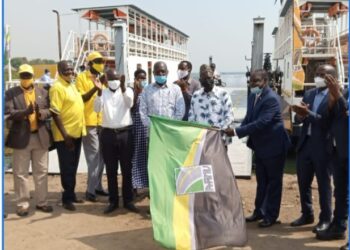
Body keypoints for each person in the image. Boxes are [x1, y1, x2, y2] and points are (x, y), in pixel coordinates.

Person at [226, 69, 291, 228]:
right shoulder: (253, 96)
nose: (253, 84)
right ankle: (259, 211)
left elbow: (261, 123)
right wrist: (236, 128)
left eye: (257, 81)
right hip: (261, 147)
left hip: (274, 147)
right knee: (262, 181)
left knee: (273, 183)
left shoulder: (271, 99)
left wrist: (235, 132)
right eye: (251, 81)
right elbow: (249, 118)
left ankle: (271, 215)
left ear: (265, 81)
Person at [5, 64, 53, 216]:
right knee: (20, 173)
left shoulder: (43, 92)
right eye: (23, 76)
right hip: (20, 138)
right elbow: (8, 113)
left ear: (33, 76)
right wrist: (25, 113)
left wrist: (41, 114)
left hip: (40, 137)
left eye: (28, 75)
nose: (25, 78)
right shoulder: (11, 93)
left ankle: (42, 202)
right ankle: (23, 204)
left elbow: (49, 110)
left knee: (42, 171)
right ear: (20, 77)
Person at [290, 64, 333, 233]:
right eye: (317, 74)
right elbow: (300, 118)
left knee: (324, 184)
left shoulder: (335, 96)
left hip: (323, 146)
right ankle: (307, 214)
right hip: (305, 144)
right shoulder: (309, 93)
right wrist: (299, 114)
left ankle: (325, 218)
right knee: (303, 182)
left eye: (322, 74)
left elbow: (326, 122)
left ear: (332, 77)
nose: (318, 77)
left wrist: (308, 114)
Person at [94, 69, 138, 214]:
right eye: (111, 78)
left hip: (125, 133)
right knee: (111, 170)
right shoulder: (103, 92)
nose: (114, 81)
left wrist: (124, 87)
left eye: (117, 78)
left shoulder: (128, 91)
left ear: (121, 79)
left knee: (127, 169)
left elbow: (130, 103)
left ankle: (128, 201)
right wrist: (99, 92)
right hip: (107, 134)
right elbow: (96, 109)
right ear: (106, 80)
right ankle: (113, 201)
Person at [316, 70, 348, 241]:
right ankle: (338, 226)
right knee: (340, 192)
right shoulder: (343, 91)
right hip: (337, 150)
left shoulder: (341, 94)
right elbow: (328, 121)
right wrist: (331, 102)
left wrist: (339, 97)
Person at [50, 60, 86, 211]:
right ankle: (66, 199)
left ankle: (71, 194)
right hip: (66, 136)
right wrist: (65, 136)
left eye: (72, 70)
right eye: (67, 70)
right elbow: (55, 113)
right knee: (66, 167)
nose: (70, 72)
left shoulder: (71, 84)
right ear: (59, 70)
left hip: (77, 133)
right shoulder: (57, 87)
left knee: (73, 166)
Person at [76, 51, 108, 202]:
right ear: (89, 63)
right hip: (89, 122)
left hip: (103, 121)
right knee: (93, 156)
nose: (101, 63)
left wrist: (105, 83)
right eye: (98, 61)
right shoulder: (81, 78)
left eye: (102, 61)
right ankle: (90, 190)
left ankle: (98, 186)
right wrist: (96, 87)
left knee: (102, 156)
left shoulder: (104, 78)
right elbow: (82, 98)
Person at [188, 64, 234, 146]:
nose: (208, 81)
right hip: (201, 141)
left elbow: (229, 117)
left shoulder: (223, 94)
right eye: (205, 79)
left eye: (209, 78)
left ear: (213, 77)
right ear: (200, 80)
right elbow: (191, 119)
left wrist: (214, 132)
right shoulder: (196, 95)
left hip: (219, 140)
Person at [139, 61, 185, 128]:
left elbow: (180, 110)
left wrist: (171, 125)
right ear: (153, 73)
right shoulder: (146, 90)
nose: (160, 74)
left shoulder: (176, 89)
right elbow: (142, 111)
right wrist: (152, 126)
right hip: (153, 131)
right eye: (157, 72)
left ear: (167, 72)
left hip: (170, 130)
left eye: (163, 71)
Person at [131, 69, 149, 190]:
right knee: (134, 156)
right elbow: (131, 108)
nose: (142, 81)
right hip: (134, 128)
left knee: (146, 156)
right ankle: (134, 185)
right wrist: (137, 92)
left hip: (145, 128)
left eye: (144, 78)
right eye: (139, 78)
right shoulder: (131, 91)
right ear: (135, 79)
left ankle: (144, 183)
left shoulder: (148, 92)